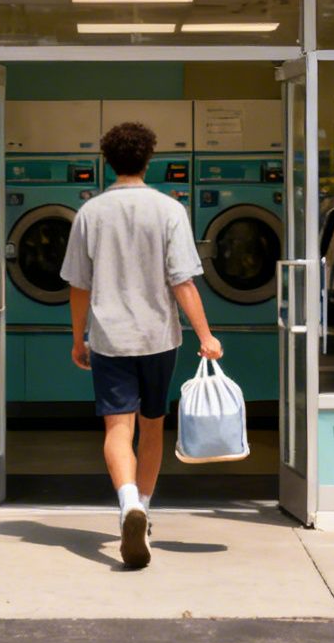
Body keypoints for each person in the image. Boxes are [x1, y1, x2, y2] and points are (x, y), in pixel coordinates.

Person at [62, 121, 223, 568]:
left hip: (110, 338)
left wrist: (79, 338)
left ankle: (127, 502)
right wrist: (206, 335)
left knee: (117, 429)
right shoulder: (169, 209)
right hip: (158, 337)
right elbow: (183, 281)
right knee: (152, 425)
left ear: (107, 162)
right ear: (149, 159)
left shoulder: (90, 213)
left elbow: (78, 286)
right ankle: (144, 511)